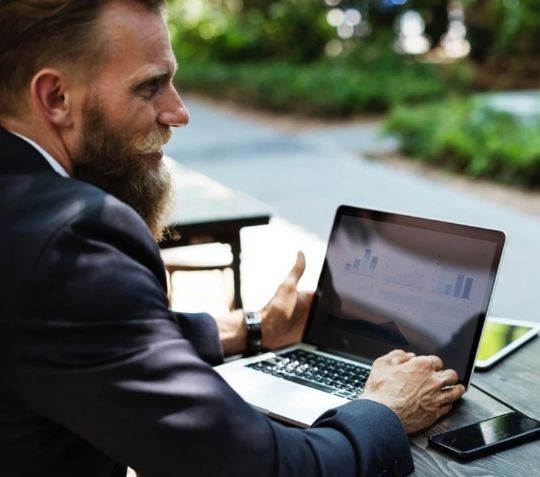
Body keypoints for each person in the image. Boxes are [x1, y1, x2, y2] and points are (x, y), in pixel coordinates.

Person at [0, 1, 465, 476]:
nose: (177, 112)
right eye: (150, 87)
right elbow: (260, 467)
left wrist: (253, 329)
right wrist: (383, 408)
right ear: (56, 97)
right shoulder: (72, 240)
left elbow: (80, 338)